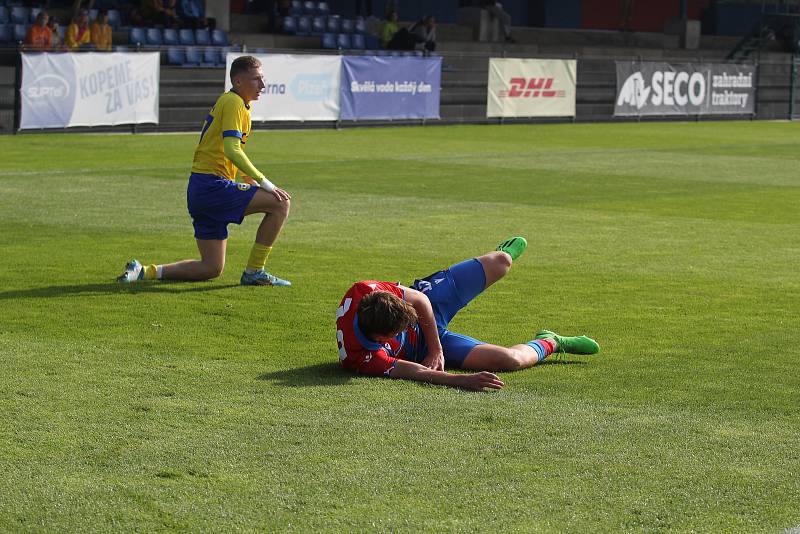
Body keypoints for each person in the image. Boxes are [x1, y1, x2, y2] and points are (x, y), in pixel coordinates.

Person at [336, 237, 600, 391]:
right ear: (382, 338)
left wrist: (435, 349)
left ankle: (501, 252)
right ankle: (552, 341)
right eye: (399, 333)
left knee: (501, 263)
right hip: (422, 349)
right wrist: (460, 380)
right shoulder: (363, 358)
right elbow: (415, 372)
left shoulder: (365, 291)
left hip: (431, 304)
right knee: (509, 360)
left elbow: (420, 299)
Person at [117, 56, 293, 287]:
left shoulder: (235, 103)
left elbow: (228, 150)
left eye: (263, 79)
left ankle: (144, 272)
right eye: (256, 79)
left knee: (211, 268)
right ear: (238, 81)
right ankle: (255, 271)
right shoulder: (234, 103)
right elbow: (232, 150)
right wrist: (265, 183)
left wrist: (248, 178)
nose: (262, 85)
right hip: (212, 186)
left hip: (200, 188)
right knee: (280, 203)